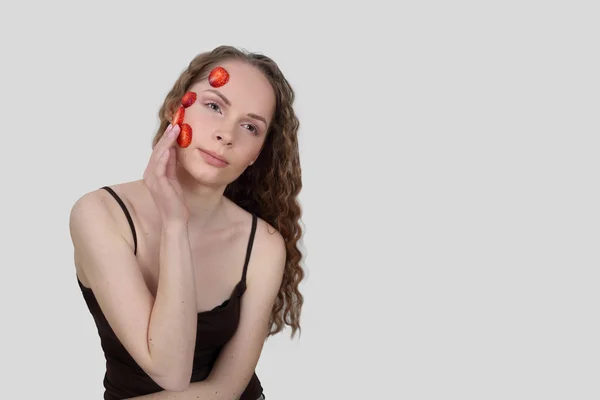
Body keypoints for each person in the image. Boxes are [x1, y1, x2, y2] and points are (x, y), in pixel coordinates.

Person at [69, 45, 304, 400]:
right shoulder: (99, 214)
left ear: (257, 153)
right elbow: (170, 369)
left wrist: (176, 226)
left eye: (250, 126)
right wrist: (175, 225)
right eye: (213, 106)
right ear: (174, 108)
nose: (227, 134)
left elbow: (225, 389)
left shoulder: (264, 244)